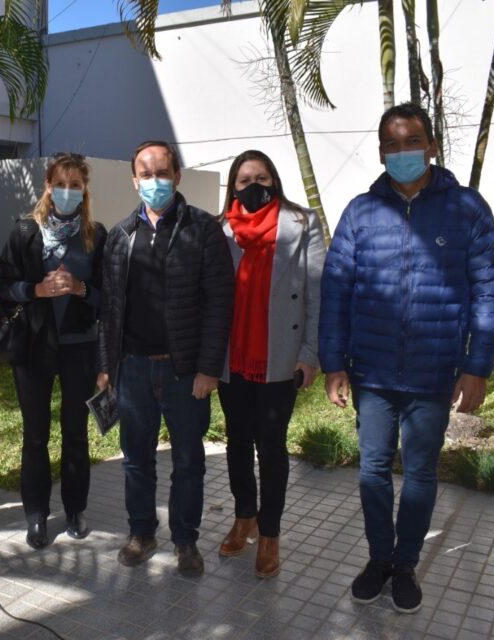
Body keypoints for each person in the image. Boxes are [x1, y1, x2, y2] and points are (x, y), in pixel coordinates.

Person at [319, 103, 494, 613]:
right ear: (381, 152)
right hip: (373, 371)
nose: (402, 152)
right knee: (373, 470)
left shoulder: (466, 208)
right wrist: (334, 362)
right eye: (392, 144)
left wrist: (477, 366)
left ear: (432, 146)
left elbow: (489, 290)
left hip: (433, 370)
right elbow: (336, 291)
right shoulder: (361, 212)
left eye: (412, 141)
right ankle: (380, 558)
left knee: (421, 473)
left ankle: (406, 565)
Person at [97, 140, 234, 577]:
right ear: (134, 180)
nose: (154, 181)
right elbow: (109, 308)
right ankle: (141, 532)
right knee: (136, 459)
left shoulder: (203, 229)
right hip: (132, 368)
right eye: (146, 174)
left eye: (162, 173)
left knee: (188, 461)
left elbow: (219, 302)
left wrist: (208, 368)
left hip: (185, 371)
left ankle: (185, 539)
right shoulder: (120, 235)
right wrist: (107, 366)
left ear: (176, 176)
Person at [216, 150, 325, 577]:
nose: (253, 186)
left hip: (279, 354)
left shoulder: (302, 222)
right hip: (233, 354)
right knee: (237, 440)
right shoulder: (221, 228)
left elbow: (317, 292)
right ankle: (244, 516)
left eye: (261, 178)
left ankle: (270, 533)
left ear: (275, 180)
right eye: (244, 180)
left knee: (272, 445)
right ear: (233, 186)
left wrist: (310, 354)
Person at [0, 153, 108, 549]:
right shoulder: (25, 231)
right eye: (61, 184)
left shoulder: (96, 235)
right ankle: (37, 515)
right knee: (35, 434)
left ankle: (75, 509)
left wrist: (81, 289)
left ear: (84, 190)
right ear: (48, 186)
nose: (67, 191)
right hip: (34, 346)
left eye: (75, 185)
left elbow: (108, 296)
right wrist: (36, 290)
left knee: (75, 432)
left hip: (79, 348)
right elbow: (1, 286)